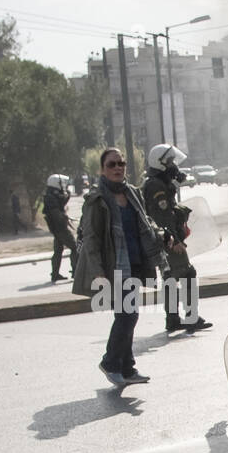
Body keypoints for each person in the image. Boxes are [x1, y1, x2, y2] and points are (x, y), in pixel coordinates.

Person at [72, 147, 172, 388]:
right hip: (113, 267)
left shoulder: (133, 193)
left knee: (127, 315)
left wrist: (162, 236)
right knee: (129, 315)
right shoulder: (96, 200)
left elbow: (145, 224)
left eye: (121, 164)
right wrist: (98, 272)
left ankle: (127, 367)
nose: (117, 168)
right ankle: (110, 362)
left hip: (136, 263)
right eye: (111, 164)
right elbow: (91, 240)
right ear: (102, 170)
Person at [143, 143, 211, 333]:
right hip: (169, 241)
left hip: (165, 239)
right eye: (170, 161)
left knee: (170, 278)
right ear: (160, 163)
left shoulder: (156, 182)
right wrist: (175, 240)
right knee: (188, 274)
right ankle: (191, 317)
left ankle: (172, 319)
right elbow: (162, 216)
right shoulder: (156, 185)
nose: (174, 165)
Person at [43, 174, 77, 283]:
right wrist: (65, 217)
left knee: (58, 250)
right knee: (75, 248)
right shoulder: (50, 197)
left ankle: (55, 274)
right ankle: (76, 272)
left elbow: (61, 202)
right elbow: (56, 213)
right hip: (60, 228)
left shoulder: (52, 194)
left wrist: (67, 194)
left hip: (57, 228)